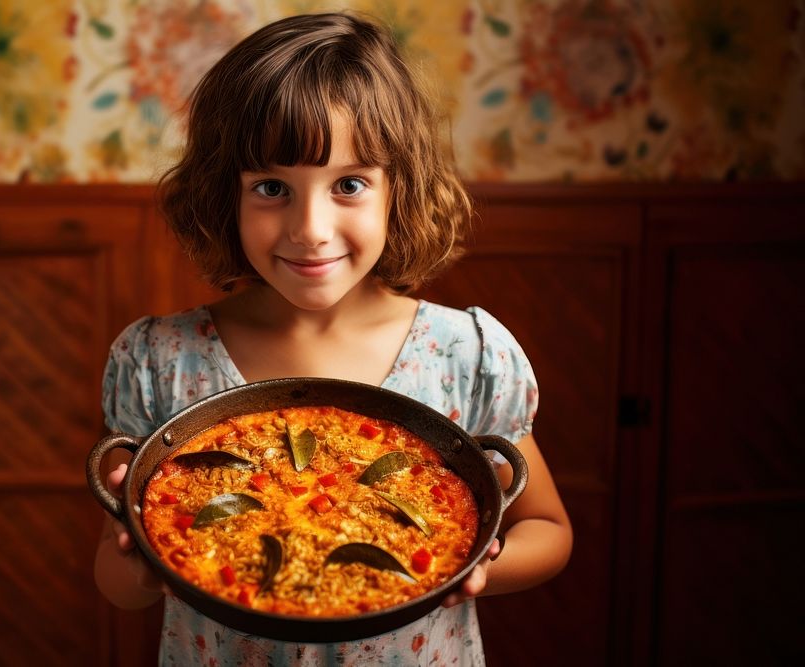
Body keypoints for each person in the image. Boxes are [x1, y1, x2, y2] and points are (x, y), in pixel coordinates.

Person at [95, 11, 572, 666]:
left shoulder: (465, 353)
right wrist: (143, 560)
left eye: (348, 184)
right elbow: (116, 585)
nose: (310, 228)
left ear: (396, 188)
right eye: (272, 188)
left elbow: (548, 529)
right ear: (221, 197)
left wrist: (477, 567)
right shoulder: (161, 359)